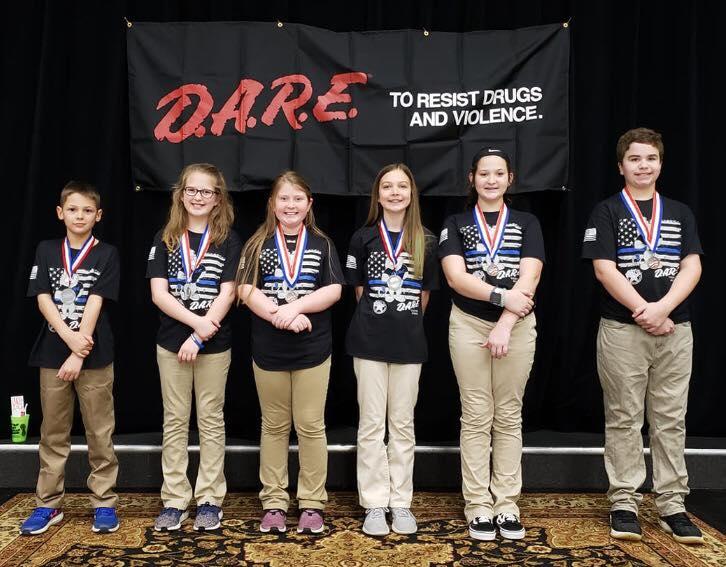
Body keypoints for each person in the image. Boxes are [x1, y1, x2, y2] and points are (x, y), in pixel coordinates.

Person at [582, 127, 704, 544]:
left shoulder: (680, 212)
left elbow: (692, 266)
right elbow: (604, 269)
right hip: (622, 329)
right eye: (635, 159)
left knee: (671, 419)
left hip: (674, 328)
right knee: (624, 417)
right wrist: (644, 310)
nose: (643, 165)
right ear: (622, 166)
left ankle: (672, 504)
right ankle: (624, 502)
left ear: (660, 164)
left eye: (650, 158)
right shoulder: (607, 211)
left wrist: (664, 308)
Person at [439, 148, 544, 541]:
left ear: (510, 179)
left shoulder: (527, 222)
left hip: (516, 326)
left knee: (509, 415)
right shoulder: (456, 222)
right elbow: (456, 278)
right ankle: (478, 504)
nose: (491, 180)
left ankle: (507, 502)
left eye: (499, 173)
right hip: (467, 324)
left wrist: (504, 323)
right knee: (477, 414)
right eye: (484, 173)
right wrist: (501, 300)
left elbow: (530, 277)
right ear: (472, 179)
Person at [237, 171, 343, 535]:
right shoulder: (256, 244)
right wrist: (279, 317)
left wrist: (293, 309)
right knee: (274, 426)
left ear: (309, 204)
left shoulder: (323, 244)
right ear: (272, 204)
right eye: (284, 198)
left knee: (311, 426)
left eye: (298, 198)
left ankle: (312, 502)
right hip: (269, 350)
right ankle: (275, 502)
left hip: (313, 350)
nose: (290, 205)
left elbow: (333, 292)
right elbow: (246, 290)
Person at [21, 181, 121, 535]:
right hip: (53, 353)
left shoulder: (106, 253)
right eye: (73, 209)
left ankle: (105, 503)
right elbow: (42, 297)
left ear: (98, 216)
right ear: (60, 213)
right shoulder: (46, 250)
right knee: (53, 433)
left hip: (94, 355)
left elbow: (97, 300)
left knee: (99, 432)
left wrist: (80, 351)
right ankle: (48, 505)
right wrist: (68, 339)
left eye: (88, 210)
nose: (80, 216)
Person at [344, 164, 438, 536]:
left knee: (402, 425)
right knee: (371, 424)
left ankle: (400, 502)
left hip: (409, 343)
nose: (395, 192)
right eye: (387, 186)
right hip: (368, 340)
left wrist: (404, 324)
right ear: (378, 195)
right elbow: (359, 292)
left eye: (402, 186)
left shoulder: (427, 240)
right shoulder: (363, 238)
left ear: (412, 193)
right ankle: (374, 502)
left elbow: (424, 297)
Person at [146, 163, 240, 532]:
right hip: (171, 344)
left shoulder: (229, 240)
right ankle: (174, 499)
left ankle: (210, 498)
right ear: (181, 194)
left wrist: (201, 334)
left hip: (213, 345)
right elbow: (158, 293)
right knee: (174, 420)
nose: (199, 197)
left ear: (218, 199)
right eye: (192, 190)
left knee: (211, 420)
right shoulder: (164, 239)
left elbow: (228, 292)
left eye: (207, 191)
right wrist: (193, 325)